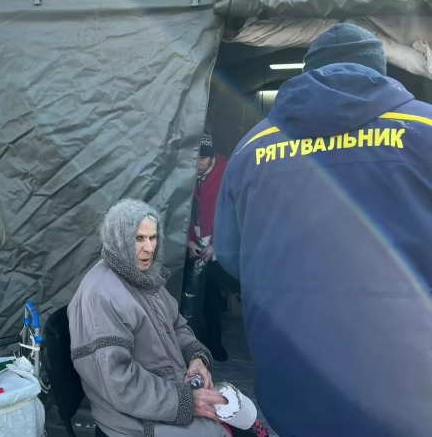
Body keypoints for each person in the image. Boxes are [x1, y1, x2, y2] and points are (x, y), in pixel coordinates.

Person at [214, 23, 432, 437]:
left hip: (293, 382)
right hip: (409, 386)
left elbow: (229, 256)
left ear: (307, 70)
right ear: (380, 70)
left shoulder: (251, 149)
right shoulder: (424, 130)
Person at [68, 199, 231, 437]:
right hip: (133, 421)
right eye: (138, 238)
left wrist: (195, 358)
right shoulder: (100, 294)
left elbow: (177, 326)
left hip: (166, 396)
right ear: (118, 239)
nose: (149, 248)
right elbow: (119, 382)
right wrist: (187, 402)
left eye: (153, 237)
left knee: (237, 418)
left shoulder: (143, 277)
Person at [185, 133, 240, 361]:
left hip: (220, 243)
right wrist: (188, 240)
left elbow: (232, 211)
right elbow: (183, 208)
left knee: (217, 289)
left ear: (212, 158)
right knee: (205, 296)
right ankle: (207, 347)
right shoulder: (185, 169)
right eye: (196, 159)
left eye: (203, 159)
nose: (199, 164)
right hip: (197, 241)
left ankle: (215, 346)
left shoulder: (226, 170)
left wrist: (216, 244)